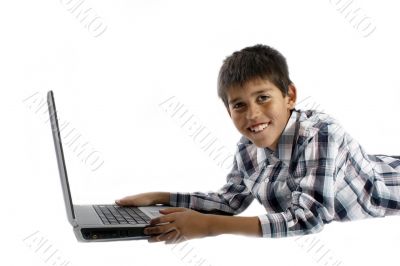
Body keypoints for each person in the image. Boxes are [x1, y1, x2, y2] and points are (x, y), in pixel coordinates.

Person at [116, 44, 400, 244]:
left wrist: (210, 226)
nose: (252, 114)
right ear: (228, 111)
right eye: (239, 105)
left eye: (263, 97)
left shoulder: (321, 133)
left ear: (289, 96)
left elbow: (307, 219)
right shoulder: (247, 149)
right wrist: (160, 196)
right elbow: (230, 201)